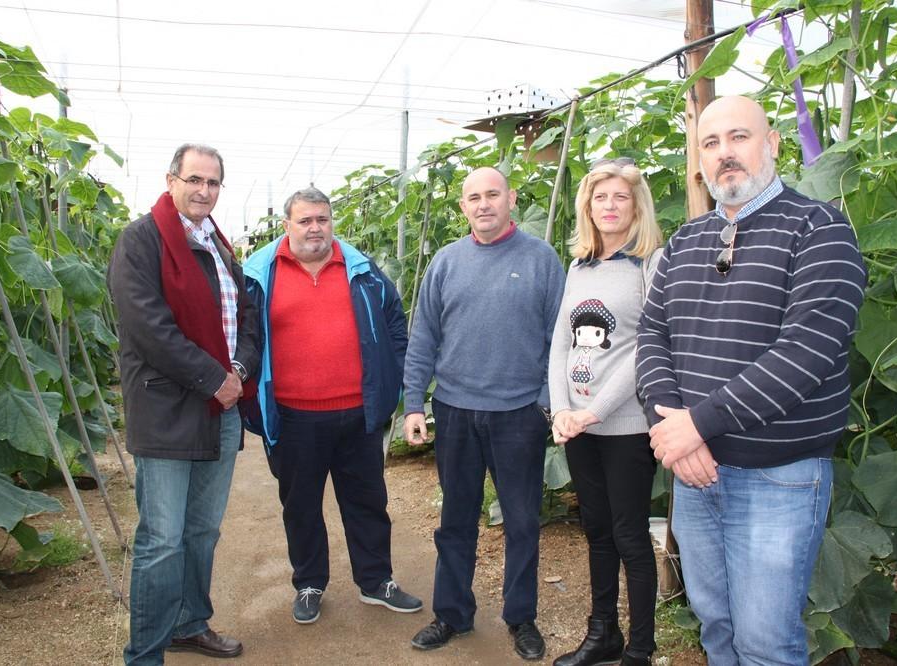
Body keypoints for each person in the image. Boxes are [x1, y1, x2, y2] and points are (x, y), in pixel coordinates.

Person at [636, 96, 866, 664]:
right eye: (710, 144)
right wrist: (672, 428)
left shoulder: (820, 229)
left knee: (765, 642)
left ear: (773, 145)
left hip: (778, 481)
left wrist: (698, 425)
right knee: (715, 627)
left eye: (738, 137)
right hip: (694, 475)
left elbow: (806, 352)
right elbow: (652, 337)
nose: (724, 155)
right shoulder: (686, 242)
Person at [404, 166, 566, 661]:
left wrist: (544, 402)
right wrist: (414, 403)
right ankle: (452, 613)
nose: (483, 204)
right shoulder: (447, 262)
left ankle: (521, 618)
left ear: (511, 198)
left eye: (492, 194)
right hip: (454, 410)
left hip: (518, 414)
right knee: (455, 519)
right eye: (473, 197)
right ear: (463, 207)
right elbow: (424, 337)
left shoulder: (542, 259)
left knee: (521, 522)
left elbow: (560, 340)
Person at [242, 187, 422, 626]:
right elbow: (243, 335)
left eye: (322, 219)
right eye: (305, 221)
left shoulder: (360, 269)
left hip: (358, 413)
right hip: (294, 415)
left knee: (367, 501)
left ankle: (376, 581)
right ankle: (309, 583)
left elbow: (395, 322)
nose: (315, 228)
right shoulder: (260, 274)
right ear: (287, 225)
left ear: (331, 221)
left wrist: (391, 379)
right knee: (300, 504)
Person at [108, 143, 259, 665]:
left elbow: (246, 318)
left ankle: (190, 623)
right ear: (171, 179)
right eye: (194, 180)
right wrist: (212, 378)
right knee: (162, 540)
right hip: (168, 412)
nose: (204, 191)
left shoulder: (218, 244)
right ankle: (145, 653)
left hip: (219, 408)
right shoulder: (141, 240)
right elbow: (149, 328)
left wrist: (237, 373)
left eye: (213, 183)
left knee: (202, 530)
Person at [549, 159, 662, 666]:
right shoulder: (579, 266)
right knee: (596, 530)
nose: (610, 207)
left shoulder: (651, 264)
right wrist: (560, 410)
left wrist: (591, 412)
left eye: (620, 198)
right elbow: (560, 344)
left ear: (637, 207)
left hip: (625, 425)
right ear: (587, 207)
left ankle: (640, 648)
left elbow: (647, 350)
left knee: (630, 535)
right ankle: (603, 635)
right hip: (576, 426)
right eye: (600, 198)